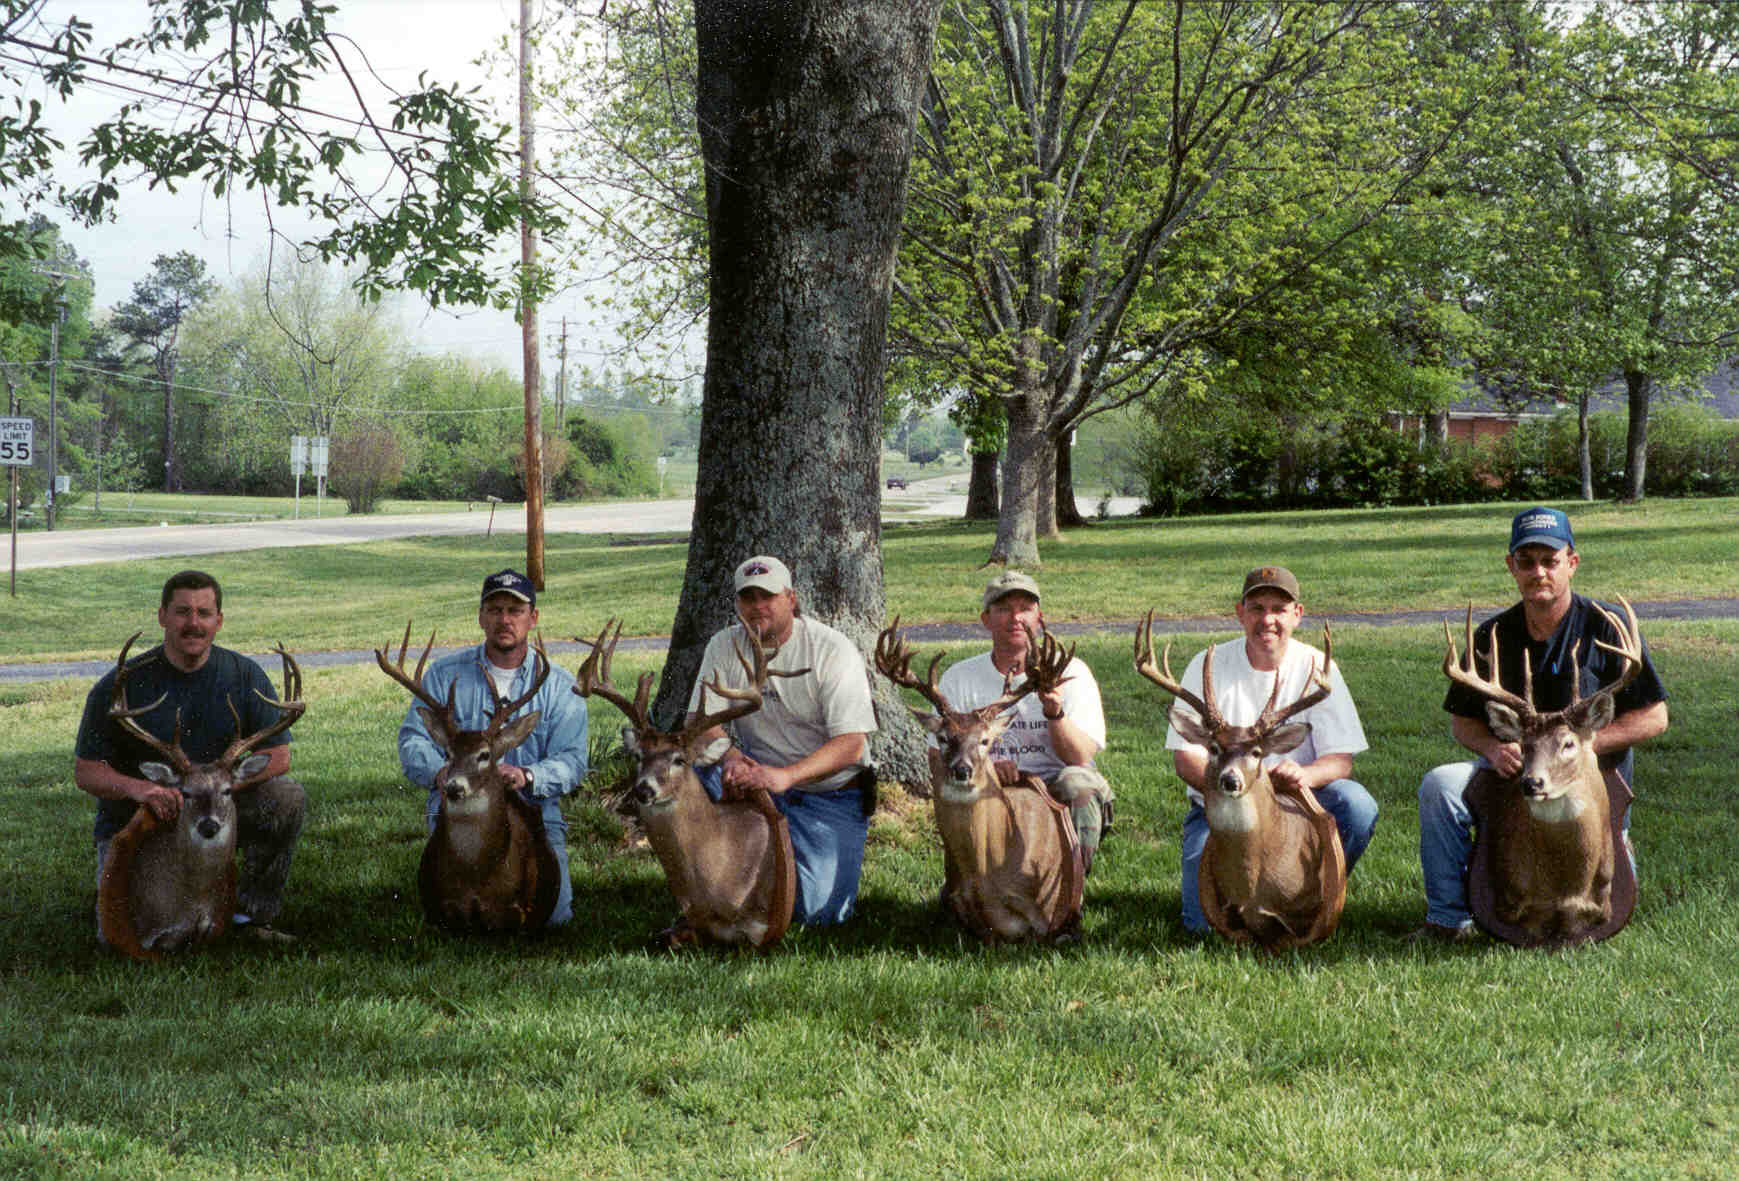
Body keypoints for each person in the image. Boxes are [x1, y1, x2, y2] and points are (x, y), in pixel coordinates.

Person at [1414, 506, 1668, 942]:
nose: (1539, 572)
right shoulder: (1492, 637)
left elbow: (1654, 717)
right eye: (1527, 561)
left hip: (1594, 774)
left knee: (1604, 878)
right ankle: (1446, 918)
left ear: (1571, 563)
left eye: (1550, 561)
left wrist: (1589, 745)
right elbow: (1464, 724)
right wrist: (1493, 749)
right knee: (1439, 787)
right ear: (1511, 566)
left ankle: (1611, 852)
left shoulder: (1608, 628)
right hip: (1519, 772)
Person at [74, 569, 306, 939]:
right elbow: (86, 771)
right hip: (143, 820)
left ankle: (251, 916)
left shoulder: (243, 675)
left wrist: (219, 784)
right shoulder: (121, 685)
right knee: (120, 936)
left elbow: (278, 757)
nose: (193, 623)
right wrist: (143, 790)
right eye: (182, 612)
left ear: (219, 620)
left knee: (287, 796)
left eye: (203, 613)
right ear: (162, 616)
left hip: (213, 808)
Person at [1164, 566, 1378, 937]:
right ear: (1240, 612)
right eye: (1257, 607)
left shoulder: (1317, 668)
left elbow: (1342, 759)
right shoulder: (1207, 665)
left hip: (1296, 808)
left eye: (1279, 608)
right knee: (1204, 928)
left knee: (1356, 805)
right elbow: (1186, 757)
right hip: (1223, 816)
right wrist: (1229, 794)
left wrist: (1305, 775)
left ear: (1297, 614)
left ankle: (1312, 891)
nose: (1268, 619)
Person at [688, 555, 878, 927]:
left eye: (768, 596)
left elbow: (852, 743)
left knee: (817, 915)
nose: (757, 607)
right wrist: (730, 758)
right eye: (748, 598)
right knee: (680, 776)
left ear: (791, 598)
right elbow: (700, 721)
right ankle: (701, 886)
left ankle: (748, 881)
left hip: (829, 793)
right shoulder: (724, 645)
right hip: (754, 780)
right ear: (737, 604)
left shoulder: (831, 650)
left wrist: (786, 777)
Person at [396, 569, 588, 928]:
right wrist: (439, 771)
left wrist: (528, 775)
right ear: (481, 617)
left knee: (552, 918)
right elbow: (413, 740)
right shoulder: (443, 674)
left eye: (515, 611)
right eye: (495, 609)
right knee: (447, 919)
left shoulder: (558, 686)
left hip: (533, 813)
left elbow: (574, 760)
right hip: (457, 811)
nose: (505, 620)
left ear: (533, 618)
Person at [934, 570, 1114, 872]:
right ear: (986, 619)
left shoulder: (1072, 673)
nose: (1015, 618)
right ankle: (971, 880)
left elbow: (1080, 758)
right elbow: (936, 759)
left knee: (1081, 784)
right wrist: (989, 770)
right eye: (1003, 609)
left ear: (1039, 617)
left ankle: (1072, 886)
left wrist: (1054, 712)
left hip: (1055, 786)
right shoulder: (960, 678)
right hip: (987, 784)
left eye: (1025, 609)